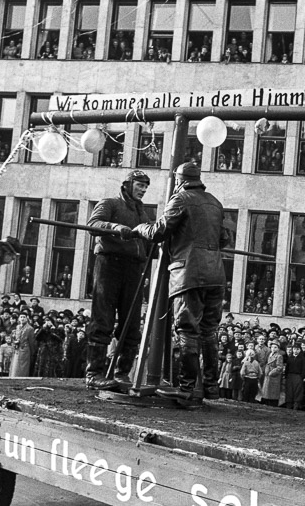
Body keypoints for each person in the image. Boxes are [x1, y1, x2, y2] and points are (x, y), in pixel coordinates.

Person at [134, 162, 231, 404]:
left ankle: (187, 388)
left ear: (179, 180)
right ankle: (211, 386)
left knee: (187, 330)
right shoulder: (215, 202)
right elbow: (225, 238)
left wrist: (140, 228)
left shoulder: (180, 199)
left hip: (188, 275)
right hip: (216, 274)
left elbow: (159, 231)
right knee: (209, 332)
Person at [84, 170, 152, 390]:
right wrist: (114, 227)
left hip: (134, 267)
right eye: (139, 185)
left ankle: (122, 373)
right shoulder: (110, 203)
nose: (143, 190)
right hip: (109, 264)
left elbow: (150, 240)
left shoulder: (143, 213)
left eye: (145, 187)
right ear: (128, 185)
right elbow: (93, 224)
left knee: (131, 322)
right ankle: (94, 373)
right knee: (102, 317)